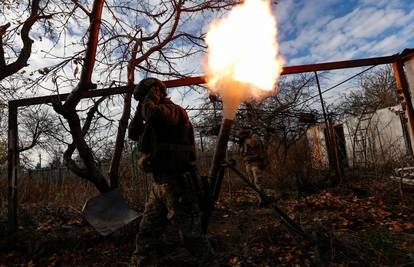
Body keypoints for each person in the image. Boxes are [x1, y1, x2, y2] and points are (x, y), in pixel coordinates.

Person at [128, 78, 218, 267]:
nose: (144, 102)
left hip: (178, 185)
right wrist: (139, 109)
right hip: (159, 186)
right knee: (146, 233)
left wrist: (152, 96)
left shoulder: (174, 111)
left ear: (155, 93)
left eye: (146, 97)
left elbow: (152, 114)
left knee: (191, 237)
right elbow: (133, 132)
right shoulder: (152, 114)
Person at [238, 129, 267, 196]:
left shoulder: (254, 136)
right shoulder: (243, 142)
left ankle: (262, 199)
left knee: (258, 182)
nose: (241, 137)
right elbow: (241, 153)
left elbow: (254, 144)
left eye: (242, 135)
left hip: (256, 163)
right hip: (248, 163)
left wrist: (246, 139)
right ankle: (259, 197)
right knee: (252, 182)